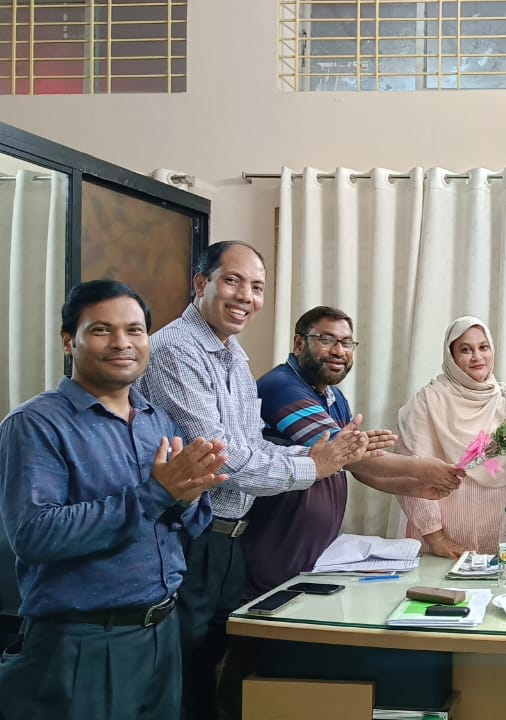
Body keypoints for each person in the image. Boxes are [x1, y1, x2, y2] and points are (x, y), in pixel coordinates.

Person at [137, 241, 380, 720]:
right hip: (190, 536)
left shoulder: (233, 354)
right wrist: (316, 464)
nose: (245, 296)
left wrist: (320, 455)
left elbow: (254, 445)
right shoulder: (176, 350)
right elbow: (223, 460)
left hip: (230, 540)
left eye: (257, 286)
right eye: (233, 281)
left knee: (212, 666)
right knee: (181, 672)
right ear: (201, 283)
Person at [0, 280, 228, 720]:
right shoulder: (34, 425)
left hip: (161, 634)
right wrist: (158, 493)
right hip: (82, 644)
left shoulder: (156, 419)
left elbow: (188, 520)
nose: (122, 343)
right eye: (101, 330)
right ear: (69, 341)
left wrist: (188, 499)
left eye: (135, 330)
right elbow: (34, 534)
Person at [243, 306, 466, 598]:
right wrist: (422, 467)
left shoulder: (333, 396)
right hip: (276, 550)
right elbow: (348, 457)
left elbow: (354, 466)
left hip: (316, 555)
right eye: (326, 340)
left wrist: (413, 487)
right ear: (299, 343)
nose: (339, 351)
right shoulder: (282, 387)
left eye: (347, 343)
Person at [395, 316, 506, 557]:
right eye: (465, 350)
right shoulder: (428, 400)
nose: (477, 357)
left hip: (498, 533)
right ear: (451, 356)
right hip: (440, 539)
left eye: (483, 347)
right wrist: (436, 537)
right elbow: (410, 472)